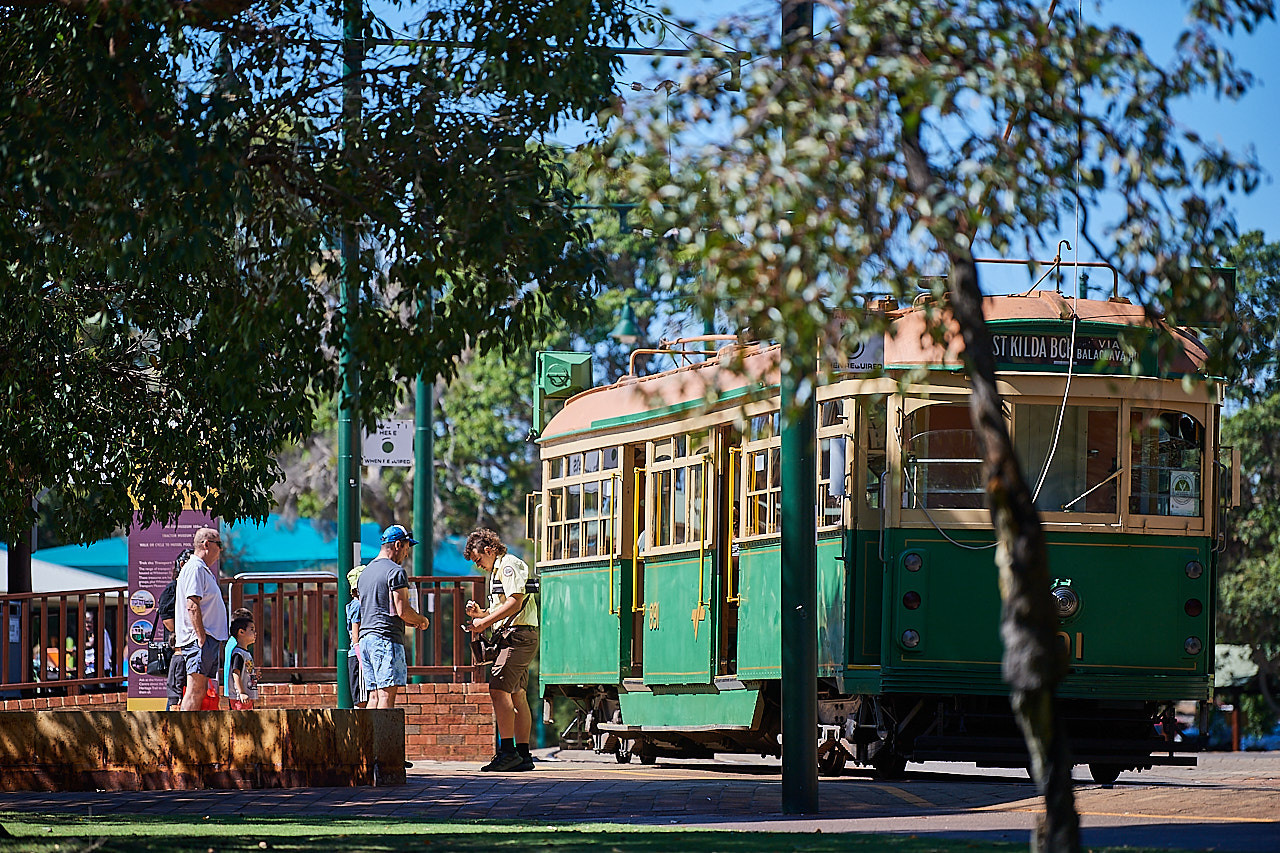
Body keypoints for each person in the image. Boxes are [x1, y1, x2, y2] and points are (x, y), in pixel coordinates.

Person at [463, 528, 539, 772]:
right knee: (517, 694)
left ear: (489, 549)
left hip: (517, 637)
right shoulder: (498, 570)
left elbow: (515, 602)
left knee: (497, 690)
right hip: (514, 635)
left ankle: (508, 751)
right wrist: (482, 614)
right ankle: (523, 755)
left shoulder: (509, 566)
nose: (478, 565)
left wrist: (483, 623)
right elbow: (503, 606)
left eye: (478, 559)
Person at [357, 525, 429, 709]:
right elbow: (402, 610)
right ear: (397, 544)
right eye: (406, 548)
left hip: (366, 640)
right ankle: (383, 738)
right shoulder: (395, 572)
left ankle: (370, 739)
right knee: (386, 696)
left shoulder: (365, 573)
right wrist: (421, 620)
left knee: (373, 696)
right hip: (385, 639)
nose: (406, 554)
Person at [174, 527, 229, 711]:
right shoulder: (195, 568)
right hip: (199, 640)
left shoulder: (201, 569)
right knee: (195, 689)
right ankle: (183, 736)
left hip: (207, 639)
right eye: (218, 544)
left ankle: (191, 733)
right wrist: (201, 637)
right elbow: (192, 603)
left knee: (200, 689)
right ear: (206, 544)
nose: (220, 549)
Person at [159, 549, 192, 710]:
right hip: (179, 649)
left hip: (191, 646)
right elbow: (167, 620)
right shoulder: (172, 588)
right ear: (182, 565)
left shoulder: (193, 589)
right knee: (176, 693)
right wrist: (184, 636)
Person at [346, 564, 369, 708]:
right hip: (358, 656)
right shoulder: (357, 606)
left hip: (362, 654)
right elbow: (355, 634)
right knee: (361, 699)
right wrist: (361, 657)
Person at [224, 610, 258, 710]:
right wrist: (241, 692)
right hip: (240, 698)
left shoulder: (246, 653)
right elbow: (236, 673)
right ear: (241, 632)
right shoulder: (238, 654)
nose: (255, 633)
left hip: (248, 697)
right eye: (251, 629)